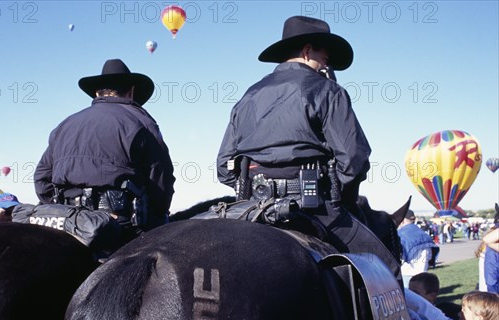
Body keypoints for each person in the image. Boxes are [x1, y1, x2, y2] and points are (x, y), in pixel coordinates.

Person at [216, 15, 401, 279]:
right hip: (315, 206)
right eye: (325, 58)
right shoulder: (328, 91)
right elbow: (354, 159)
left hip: (252, 207)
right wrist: (340, 196)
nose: (327, 65)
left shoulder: (247, 96)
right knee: (386, 268)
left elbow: (224, 168)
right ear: (307, 51)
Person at [34, 59, 175, 238]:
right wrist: (157, 217)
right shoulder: (142, 122)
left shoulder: (64, 125)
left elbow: (41, 179)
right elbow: (161, 181)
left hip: (70, 224)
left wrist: (66, 212)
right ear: (131, 92)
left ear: (96, 93)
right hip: (120, 226)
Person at [398, 210, 440, 286]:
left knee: (408, 297)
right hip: (423, 273)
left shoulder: (400, 235)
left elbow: (399, 258)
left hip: (406, 274)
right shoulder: (425, 235)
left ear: (403, 220)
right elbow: (430, 256)